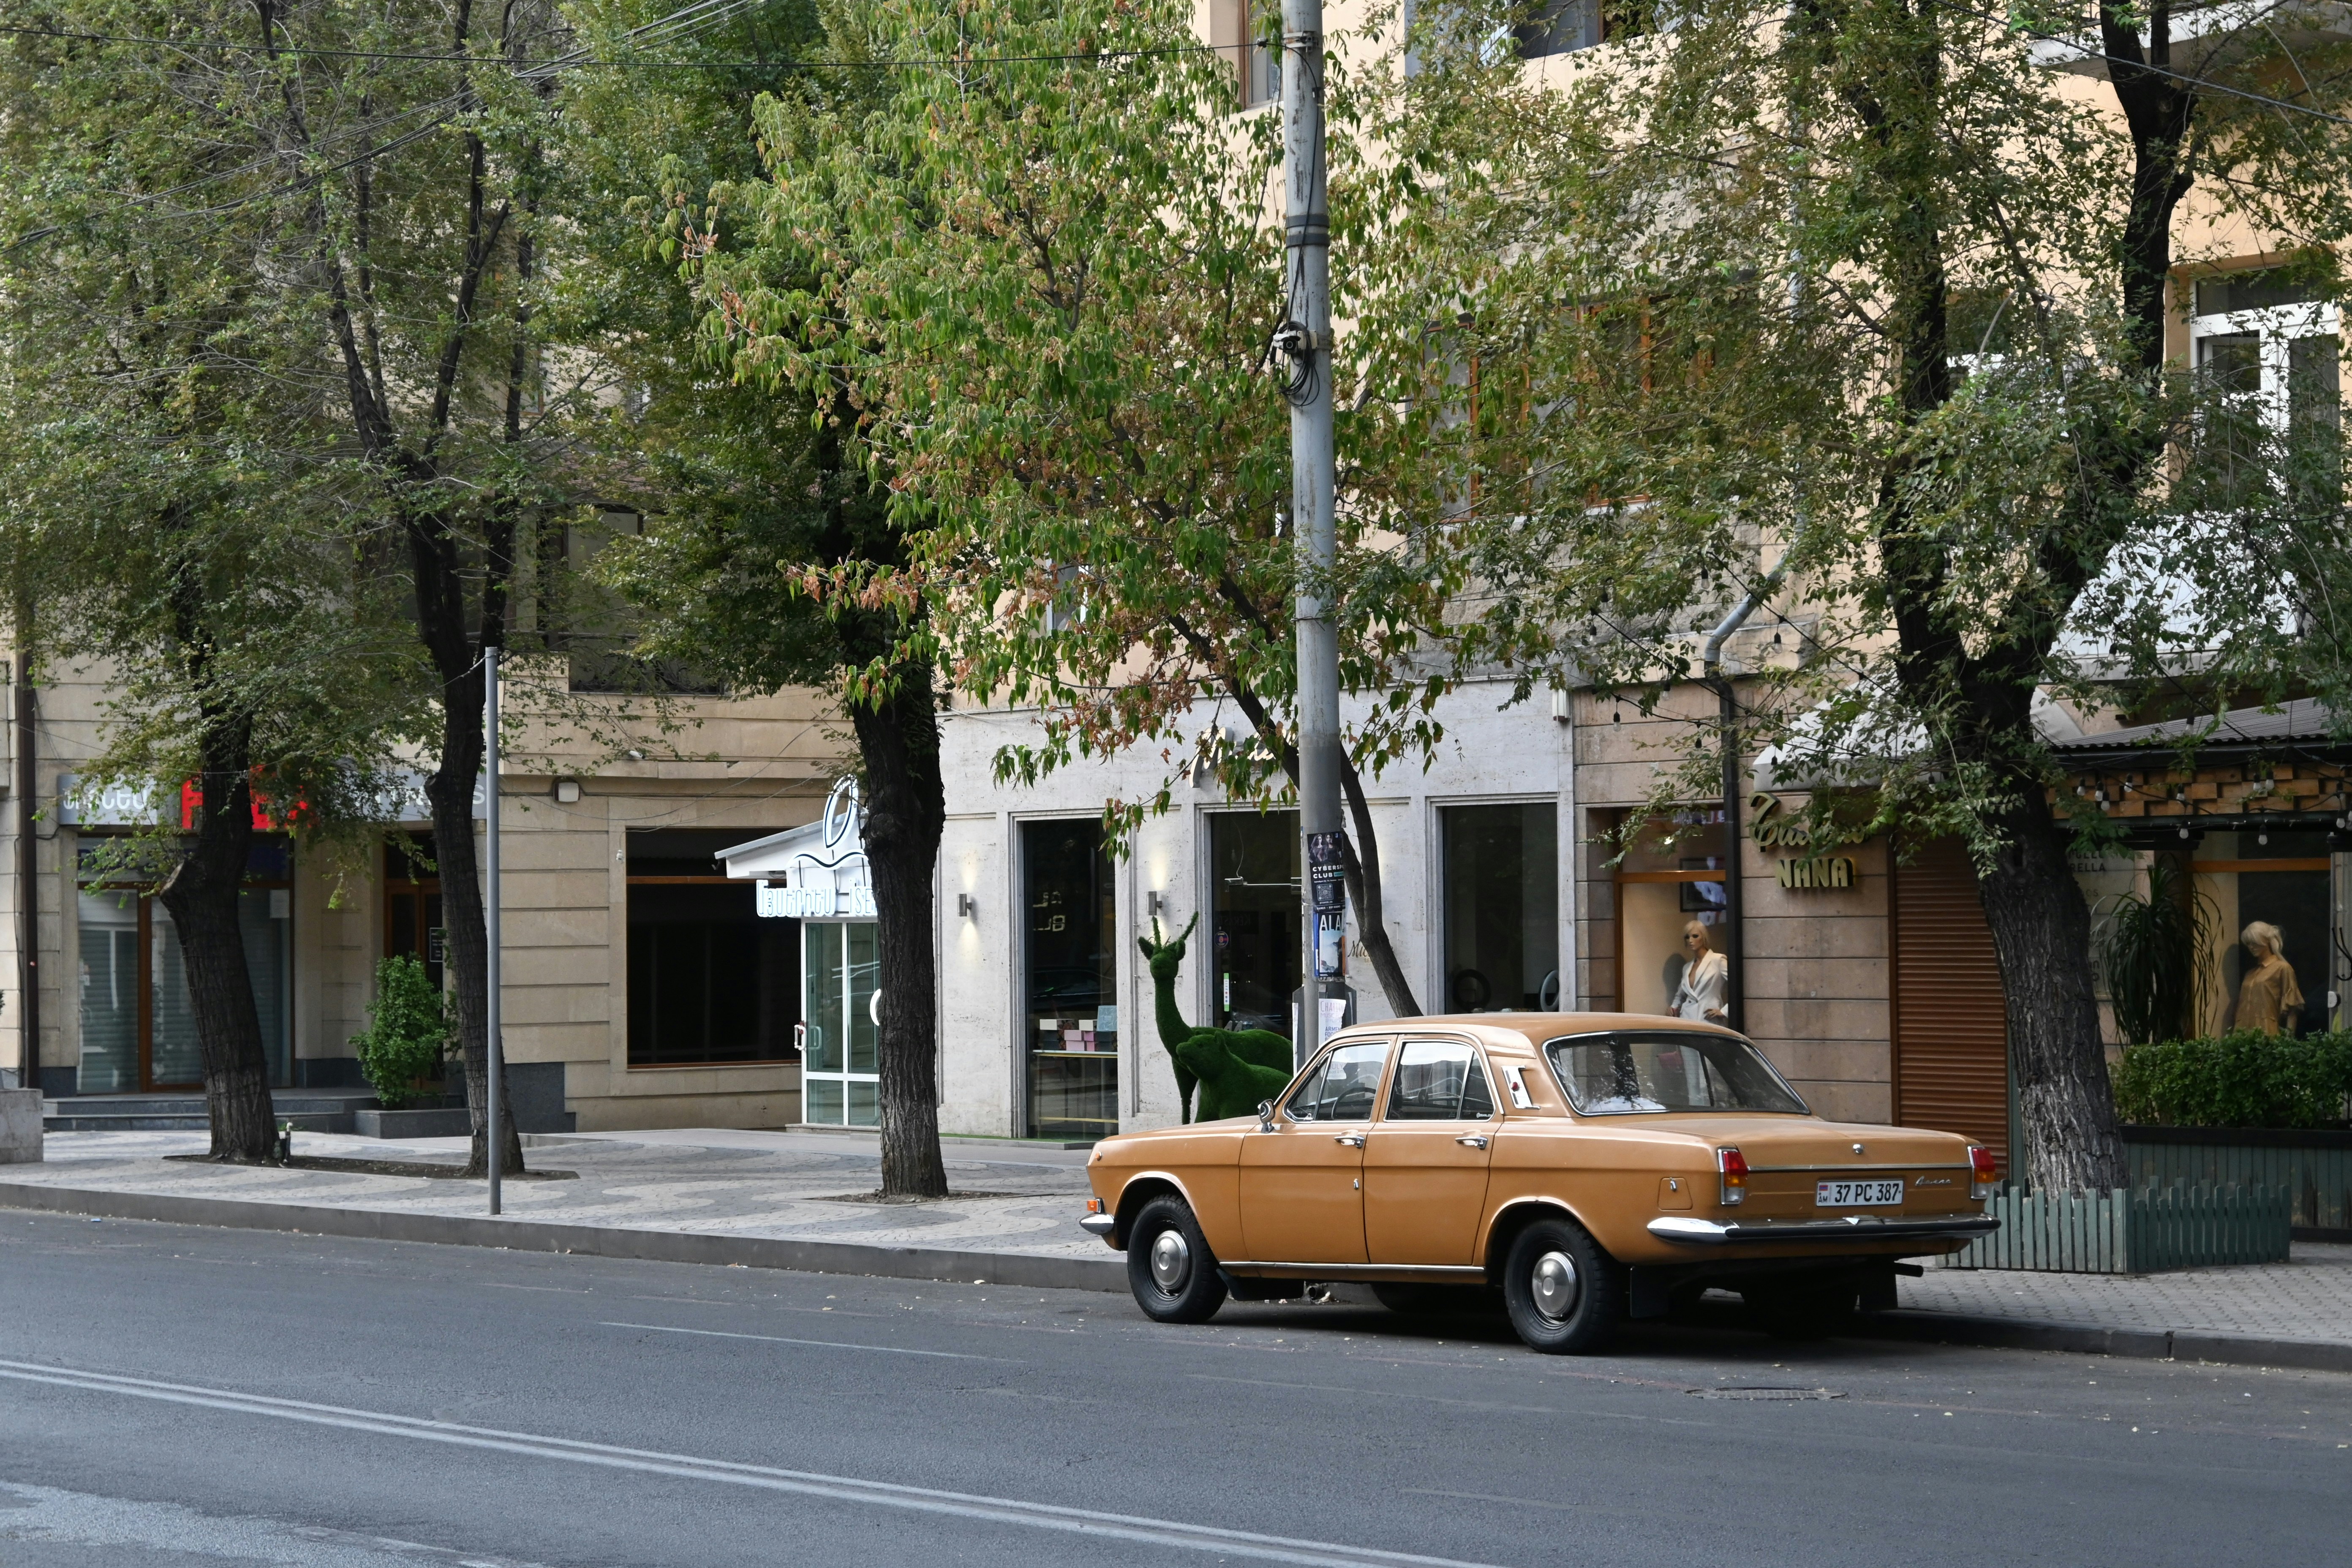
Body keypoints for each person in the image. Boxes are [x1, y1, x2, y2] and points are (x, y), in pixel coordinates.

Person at [2233, 920, 2303, 1036]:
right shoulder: (2250, 974)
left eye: (2255, 943)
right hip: (2242, 1035)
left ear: (2266, 941)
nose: (2251, 947)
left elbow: (2293, 1006)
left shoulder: (2282, 968)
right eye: (2249, 944)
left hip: (2267, 1032)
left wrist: (2289, 1039)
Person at [1671, 920, 1729, 1024]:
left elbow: (1738, 987)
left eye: (1695, 936)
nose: (1691, 940)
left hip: (1709, 1018)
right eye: (1687, 937)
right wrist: (1673, 1007)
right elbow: (1681, 995)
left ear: (1703, 937)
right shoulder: (1687, 967)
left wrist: (1725, 1011)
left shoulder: (1717, 960)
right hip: (1687, 1018)